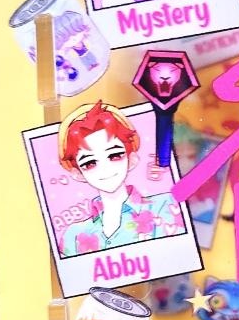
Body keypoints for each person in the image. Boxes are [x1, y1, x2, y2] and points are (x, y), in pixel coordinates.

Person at [57, 101, 184, 256]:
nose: (105, 168)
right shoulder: (73, 236)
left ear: (132, 160)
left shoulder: (165, 207)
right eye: (89, 163)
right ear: (78, 174)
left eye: (115, 156)